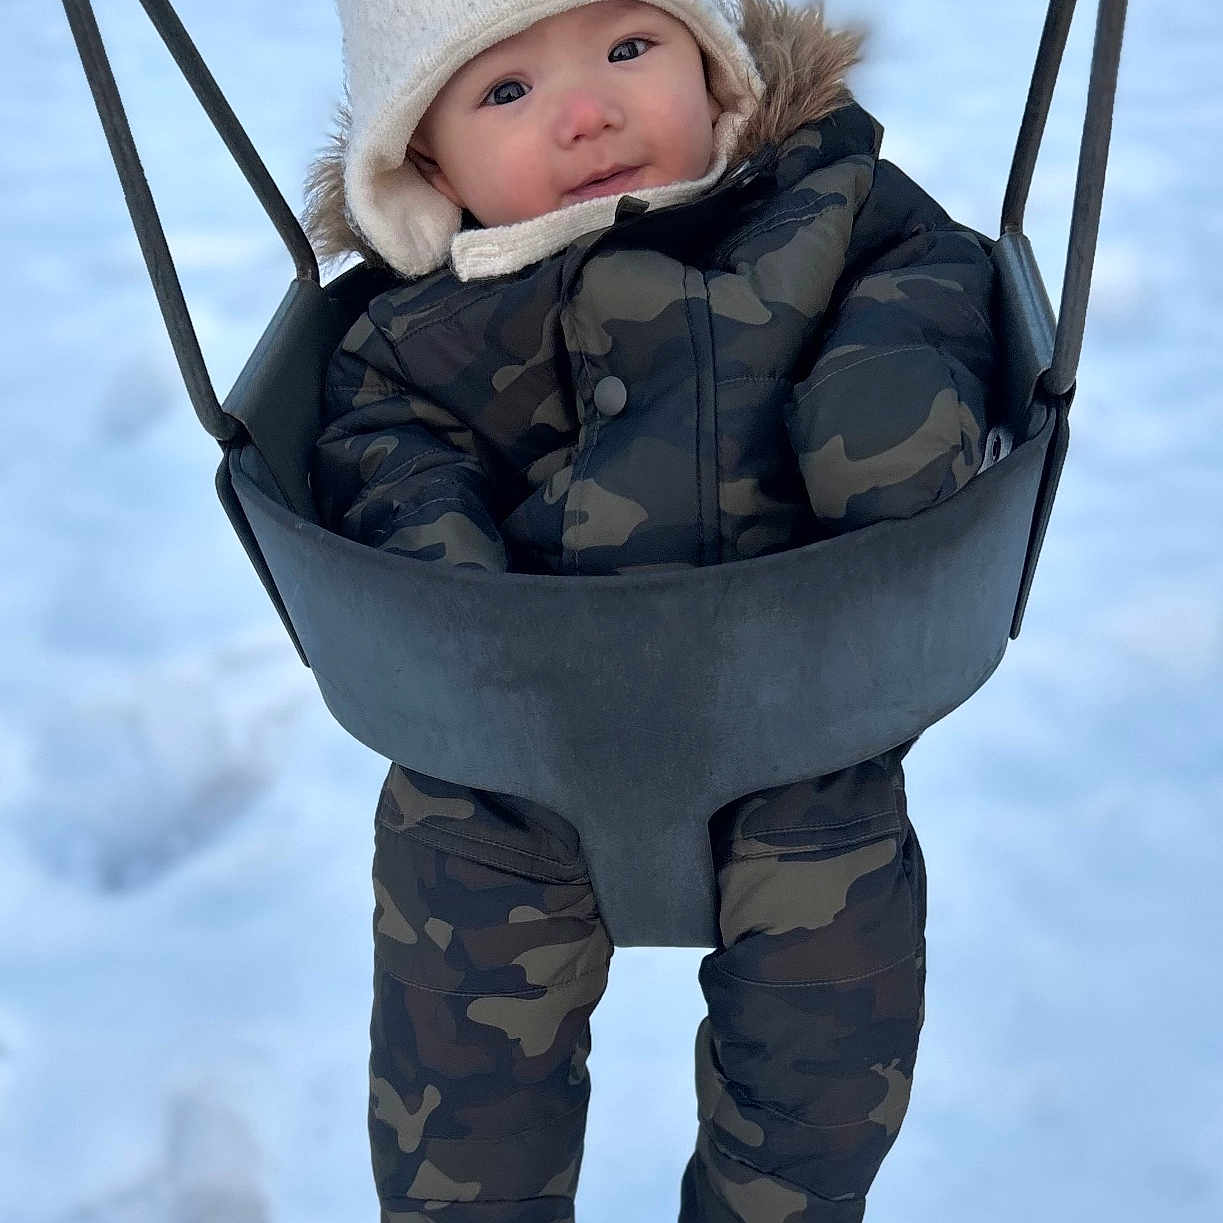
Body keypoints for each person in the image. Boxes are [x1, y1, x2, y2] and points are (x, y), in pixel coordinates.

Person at [301, 0, 997, 1218]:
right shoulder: (414, 330)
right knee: (457, 1096)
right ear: (426, 161)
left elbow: (933, 287)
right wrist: (460, 611)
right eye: (504, 93)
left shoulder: (830, 213)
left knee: (820, 1073)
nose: (588, 112)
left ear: (711, 62)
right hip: (502, 757)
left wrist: (882, 399)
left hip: (797, 723)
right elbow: (382, 461)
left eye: (630, 48)